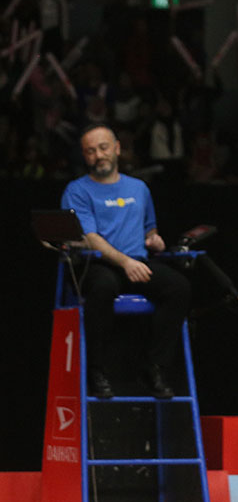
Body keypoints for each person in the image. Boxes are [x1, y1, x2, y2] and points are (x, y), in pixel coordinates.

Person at [60, 123, 191, 399]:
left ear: (117, 148)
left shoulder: (139, 188)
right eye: (91, 151)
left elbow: (149, 229)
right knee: (103, 286)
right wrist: (125, 263)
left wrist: (154, 240)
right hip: (97, 265)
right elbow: (89, 237)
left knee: (178, 287)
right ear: (85, 156)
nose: (99, 155)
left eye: (103, 148)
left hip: (136, 262)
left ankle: (154, 368)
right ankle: (96, 371)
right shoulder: (77, 190)